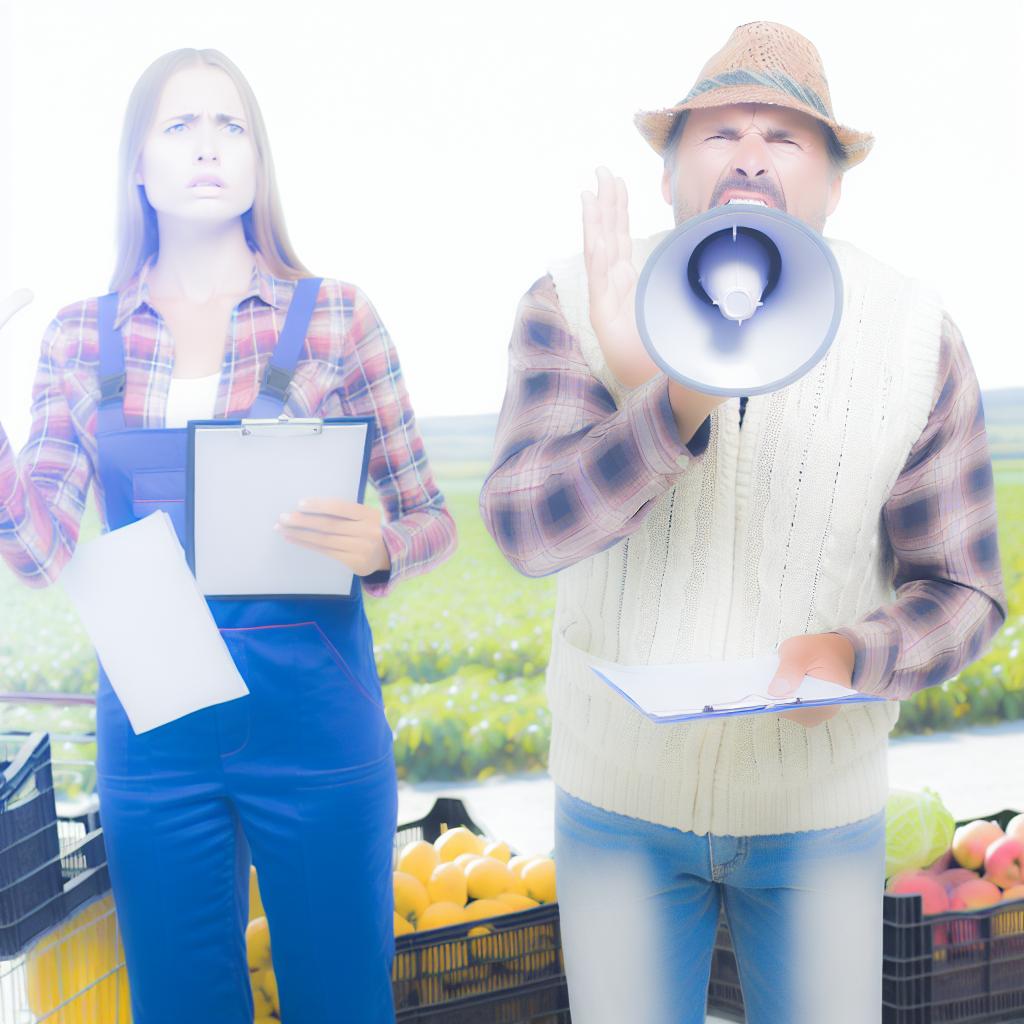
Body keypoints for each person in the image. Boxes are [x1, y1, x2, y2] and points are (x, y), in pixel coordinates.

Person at [480, 21, 1007, 1024]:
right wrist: (667, 395)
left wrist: (857, 654)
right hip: (618, 805)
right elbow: (522, 530)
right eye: (721, 130)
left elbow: (965, 589)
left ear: (834, 183)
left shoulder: (915, 334)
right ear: (671, 167)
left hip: (817, 813)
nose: (753, 153)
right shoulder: (569, 300)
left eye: (788, 135)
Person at [0, 48, 456, 1024]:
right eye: (180, 127)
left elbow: (429, 519)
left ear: (258, 159)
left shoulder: (338, 317)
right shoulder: (81, 338)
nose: (208, 148)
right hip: (155, 720)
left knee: (341, 1000)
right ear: (138, 166)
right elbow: (37, 549)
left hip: (317, 716)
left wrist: (383, 544)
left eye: (230, 126)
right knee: (177, 1004)